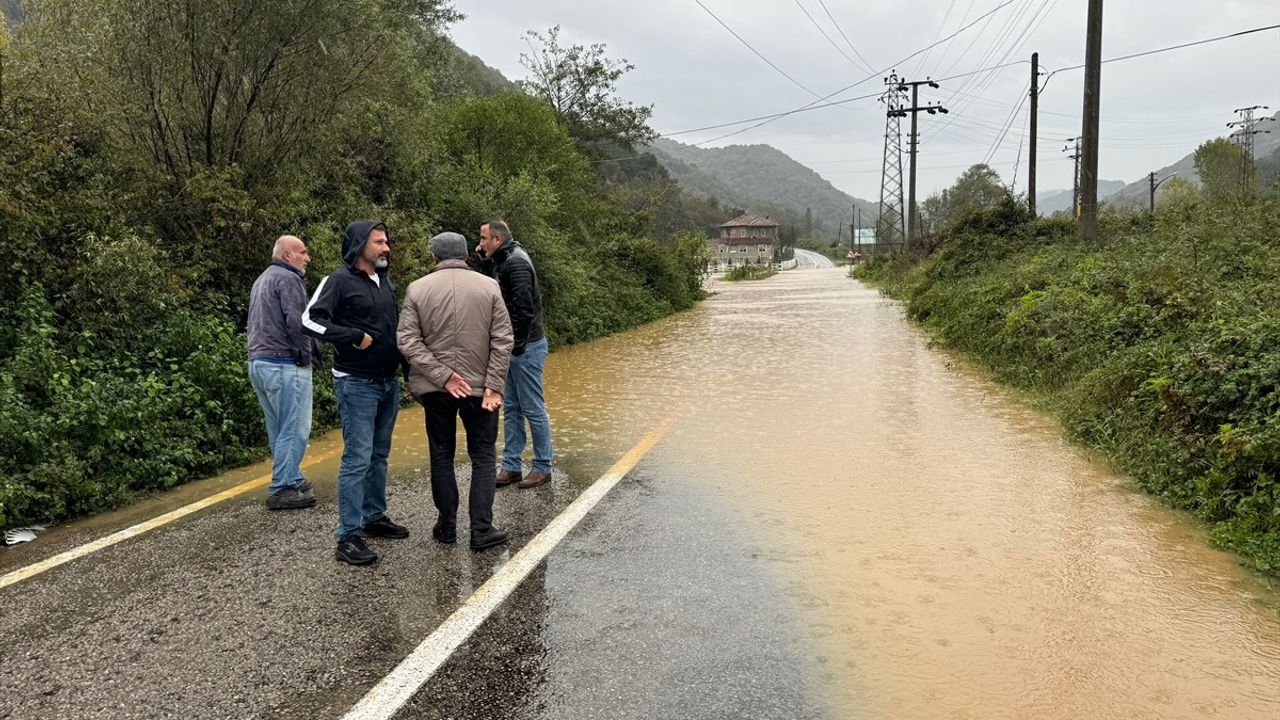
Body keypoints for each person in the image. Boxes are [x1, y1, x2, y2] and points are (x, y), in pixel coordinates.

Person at [398, 232, 514, 551]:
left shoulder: (417, 289)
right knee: (483, 456)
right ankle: (481, 530)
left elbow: (407, 341)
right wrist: (493, 385)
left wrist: (444, 376)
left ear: (434, 258)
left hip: (436, 390)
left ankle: (447, 527)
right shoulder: (489, 286)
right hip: (480, 390)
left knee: (441, 455)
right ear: (466, 256)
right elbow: (503, 340)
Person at [302, 220, 408, 566]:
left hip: (388, 383)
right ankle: (348, 536)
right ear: (359, 245)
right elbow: (309, 320)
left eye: (386, 241)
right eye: (379, 242)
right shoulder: (337, 281)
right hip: (356, 384)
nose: (386, 247)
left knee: (379, 455)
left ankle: (374, 517)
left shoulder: (384, 281)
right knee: (358, 458)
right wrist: (351, 336)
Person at [476, 218, 553, 489]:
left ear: (497, 239)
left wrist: (516, 346)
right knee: (511, 408)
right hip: (513, 346)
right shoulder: (503, 259)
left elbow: (523, 309)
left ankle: (543, 467)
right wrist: (485, 261)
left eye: (484, 238)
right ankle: (511, 466)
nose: (480, 243)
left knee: (532, 408)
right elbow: (494, 291)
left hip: (526, 346)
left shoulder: (517, 262)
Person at [247, 235, 319, 511]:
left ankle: (291, 475)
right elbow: (297, 321)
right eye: (303, 252)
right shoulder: (289, 279)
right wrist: (306, 357)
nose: (307, 258)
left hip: (260, 362)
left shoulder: (263, 278)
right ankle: (282, 486)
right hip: (284, 363)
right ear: (287, 255)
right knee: (295, 426)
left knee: (278, 426)